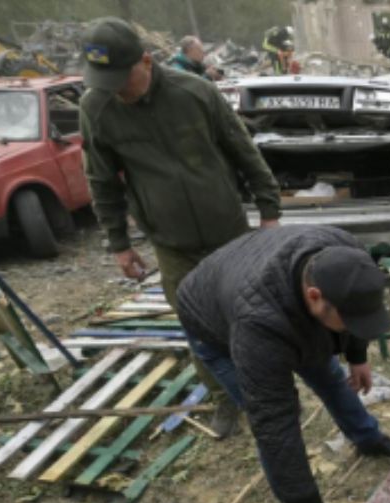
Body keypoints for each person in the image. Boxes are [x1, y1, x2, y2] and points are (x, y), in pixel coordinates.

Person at [78, 17, 282, 438]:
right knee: (198, 325)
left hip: (228, 232)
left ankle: (267, 389)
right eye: (105, 80)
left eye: (122, 78)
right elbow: (100, 181)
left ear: (146, 62)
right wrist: (119, 243)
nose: (115, 89)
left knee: (249, 313)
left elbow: (243, 150)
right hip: (171, 243)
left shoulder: (196, 92)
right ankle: (224, 397)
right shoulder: (96, 107)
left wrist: (269, 210)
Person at [175, 225, 390, 503]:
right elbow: (273, 423)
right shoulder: (258, 327)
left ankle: (368, 439)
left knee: (329, 375)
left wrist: (357, 355)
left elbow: (356, 307)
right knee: (277, 415)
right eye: (349, 322)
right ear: (314, 296)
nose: (355, 325)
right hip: (213, 324)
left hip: (260, 286)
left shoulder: (346, 255)